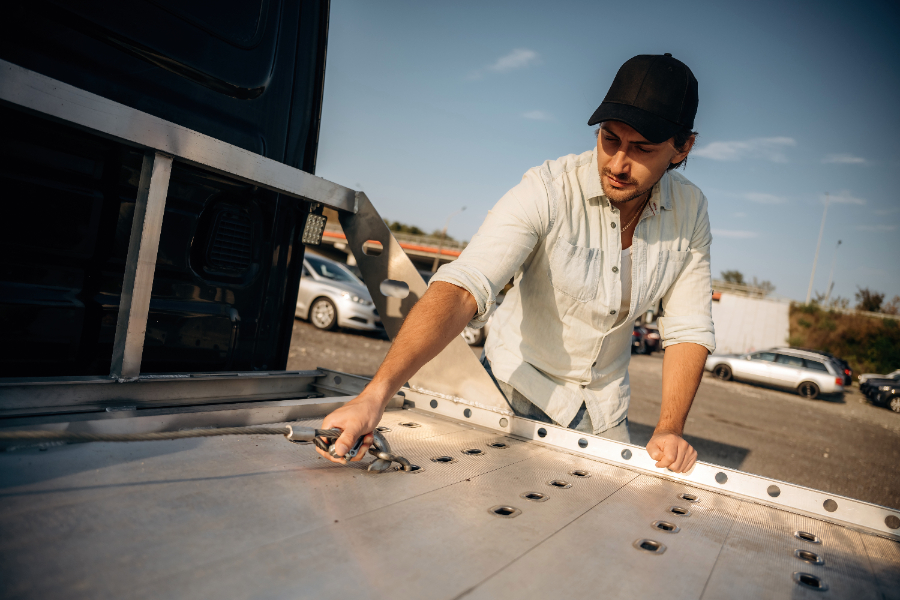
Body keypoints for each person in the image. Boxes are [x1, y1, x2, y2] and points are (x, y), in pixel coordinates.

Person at [317, 54, 715, 474]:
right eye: (609, 139)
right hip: (509, 389)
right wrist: (375, 395)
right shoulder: (548, 188)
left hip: (604, 410)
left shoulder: (690, 211)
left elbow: (688, 325)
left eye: (642, 149)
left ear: (682, 147)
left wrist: (670, 428)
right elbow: (465, 285)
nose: (617, 164)